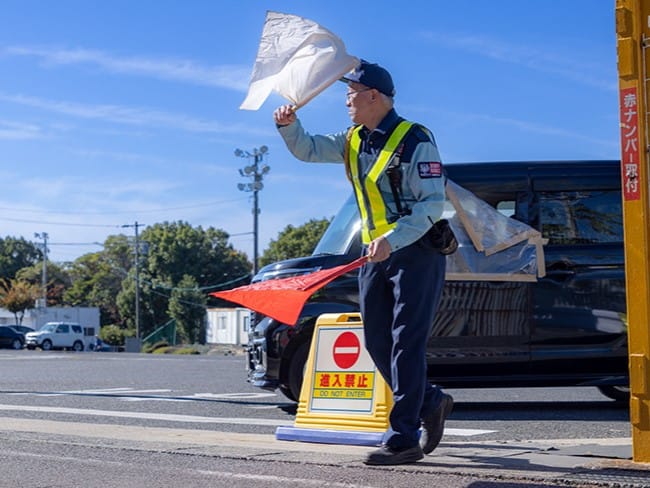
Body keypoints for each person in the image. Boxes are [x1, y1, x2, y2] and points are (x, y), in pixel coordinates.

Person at [273, 60, 453, 466]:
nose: (346, 101)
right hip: (376, 254)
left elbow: (432, 203)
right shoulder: (353, 139)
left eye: (351, 94)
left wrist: (393, 239)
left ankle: (403, 437)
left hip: (416, 251)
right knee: (376, 340)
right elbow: (308, 149)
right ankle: (431, 401)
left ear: (375, 96)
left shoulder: (415, 139)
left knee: (407, 342)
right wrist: (288, 126)